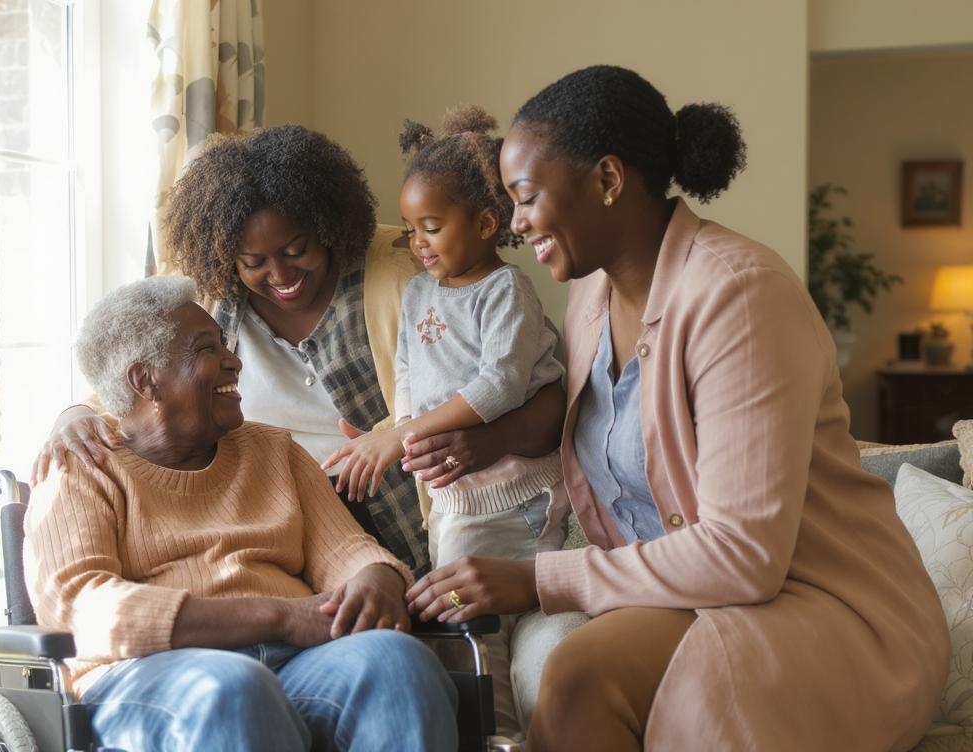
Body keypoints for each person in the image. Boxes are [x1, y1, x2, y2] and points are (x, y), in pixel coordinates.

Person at [406, 65, 948, 750]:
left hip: (822, 608)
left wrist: (534, 580)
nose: (513, 223)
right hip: (695, 601)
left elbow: (744, 555)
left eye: (525, 197)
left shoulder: (740, 297)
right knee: (574, 675)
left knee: (626, 686)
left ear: (606, 180)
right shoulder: (589, 296)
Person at [32, 125, 566, 578]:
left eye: (297, 251)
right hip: (275, 525)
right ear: (224, 256)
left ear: (328, 227)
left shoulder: (413, 272)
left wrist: (444, 438)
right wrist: (74, 414)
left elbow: (538, 389)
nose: (281, 276)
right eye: (254, 262)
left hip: (415, 521)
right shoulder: (207, 301)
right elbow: (133, 379)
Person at [27, 276, 457, 751]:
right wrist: (279, 616)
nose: (235, 361)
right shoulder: (78, 469)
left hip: (294, 662)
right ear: (144, 380)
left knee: (398, 663)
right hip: (145, 675)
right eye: (207, 348)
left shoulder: (273, 450)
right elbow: (81, 608)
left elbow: (347, 552)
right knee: (233, 689)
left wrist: (378, 578)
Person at [321, 106, 566, 738]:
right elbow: (404, 372)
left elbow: (501, 383)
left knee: (505, 625)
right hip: (452, 501)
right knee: (469, 630)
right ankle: (495, 736)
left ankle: (516, 733)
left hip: (523, 496)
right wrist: (401, 427)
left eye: (432, 226)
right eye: (410, 230)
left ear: (486, 224)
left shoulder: (506, 291)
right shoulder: (421, 292)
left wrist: (404, 434)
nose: (419, 243)